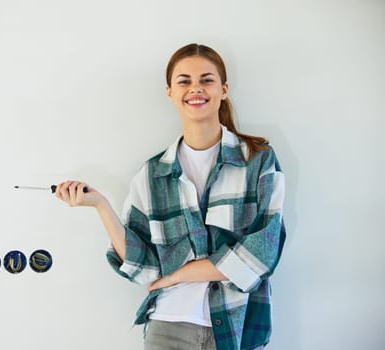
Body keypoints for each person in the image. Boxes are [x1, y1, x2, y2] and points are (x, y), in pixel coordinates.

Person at [54, 43, 286, 350]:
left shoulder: (258, 162)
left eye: (206, 80)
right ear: (170, 92)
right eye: (184, 81)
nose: (196, 89)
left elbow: (263, 252)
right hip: (168, 327)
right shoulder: (152, 175)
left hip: (235, 325)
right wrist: (100, 204)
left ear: (224, 89)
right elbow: (145, 267)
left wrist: (176, 276)